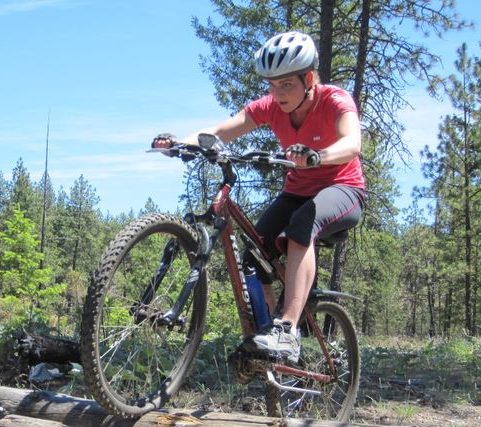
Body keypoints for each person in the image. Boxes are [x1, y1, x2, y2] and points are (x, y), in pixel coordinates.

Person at [152, 30, 365, 364]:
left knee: (301, 226)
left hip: (342, 189)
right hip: (297, 191)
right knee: (253, 254)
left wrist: (316, 156)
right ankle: (263, 338)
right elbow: (222, 131)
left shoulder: (335, 100)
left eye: (287, 85)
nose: (277, 94)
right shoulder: (271, 107)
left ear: (309, 78)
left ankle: (288, 331)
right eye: (272, 85)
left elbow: (352, 143)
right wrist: (183, 143)